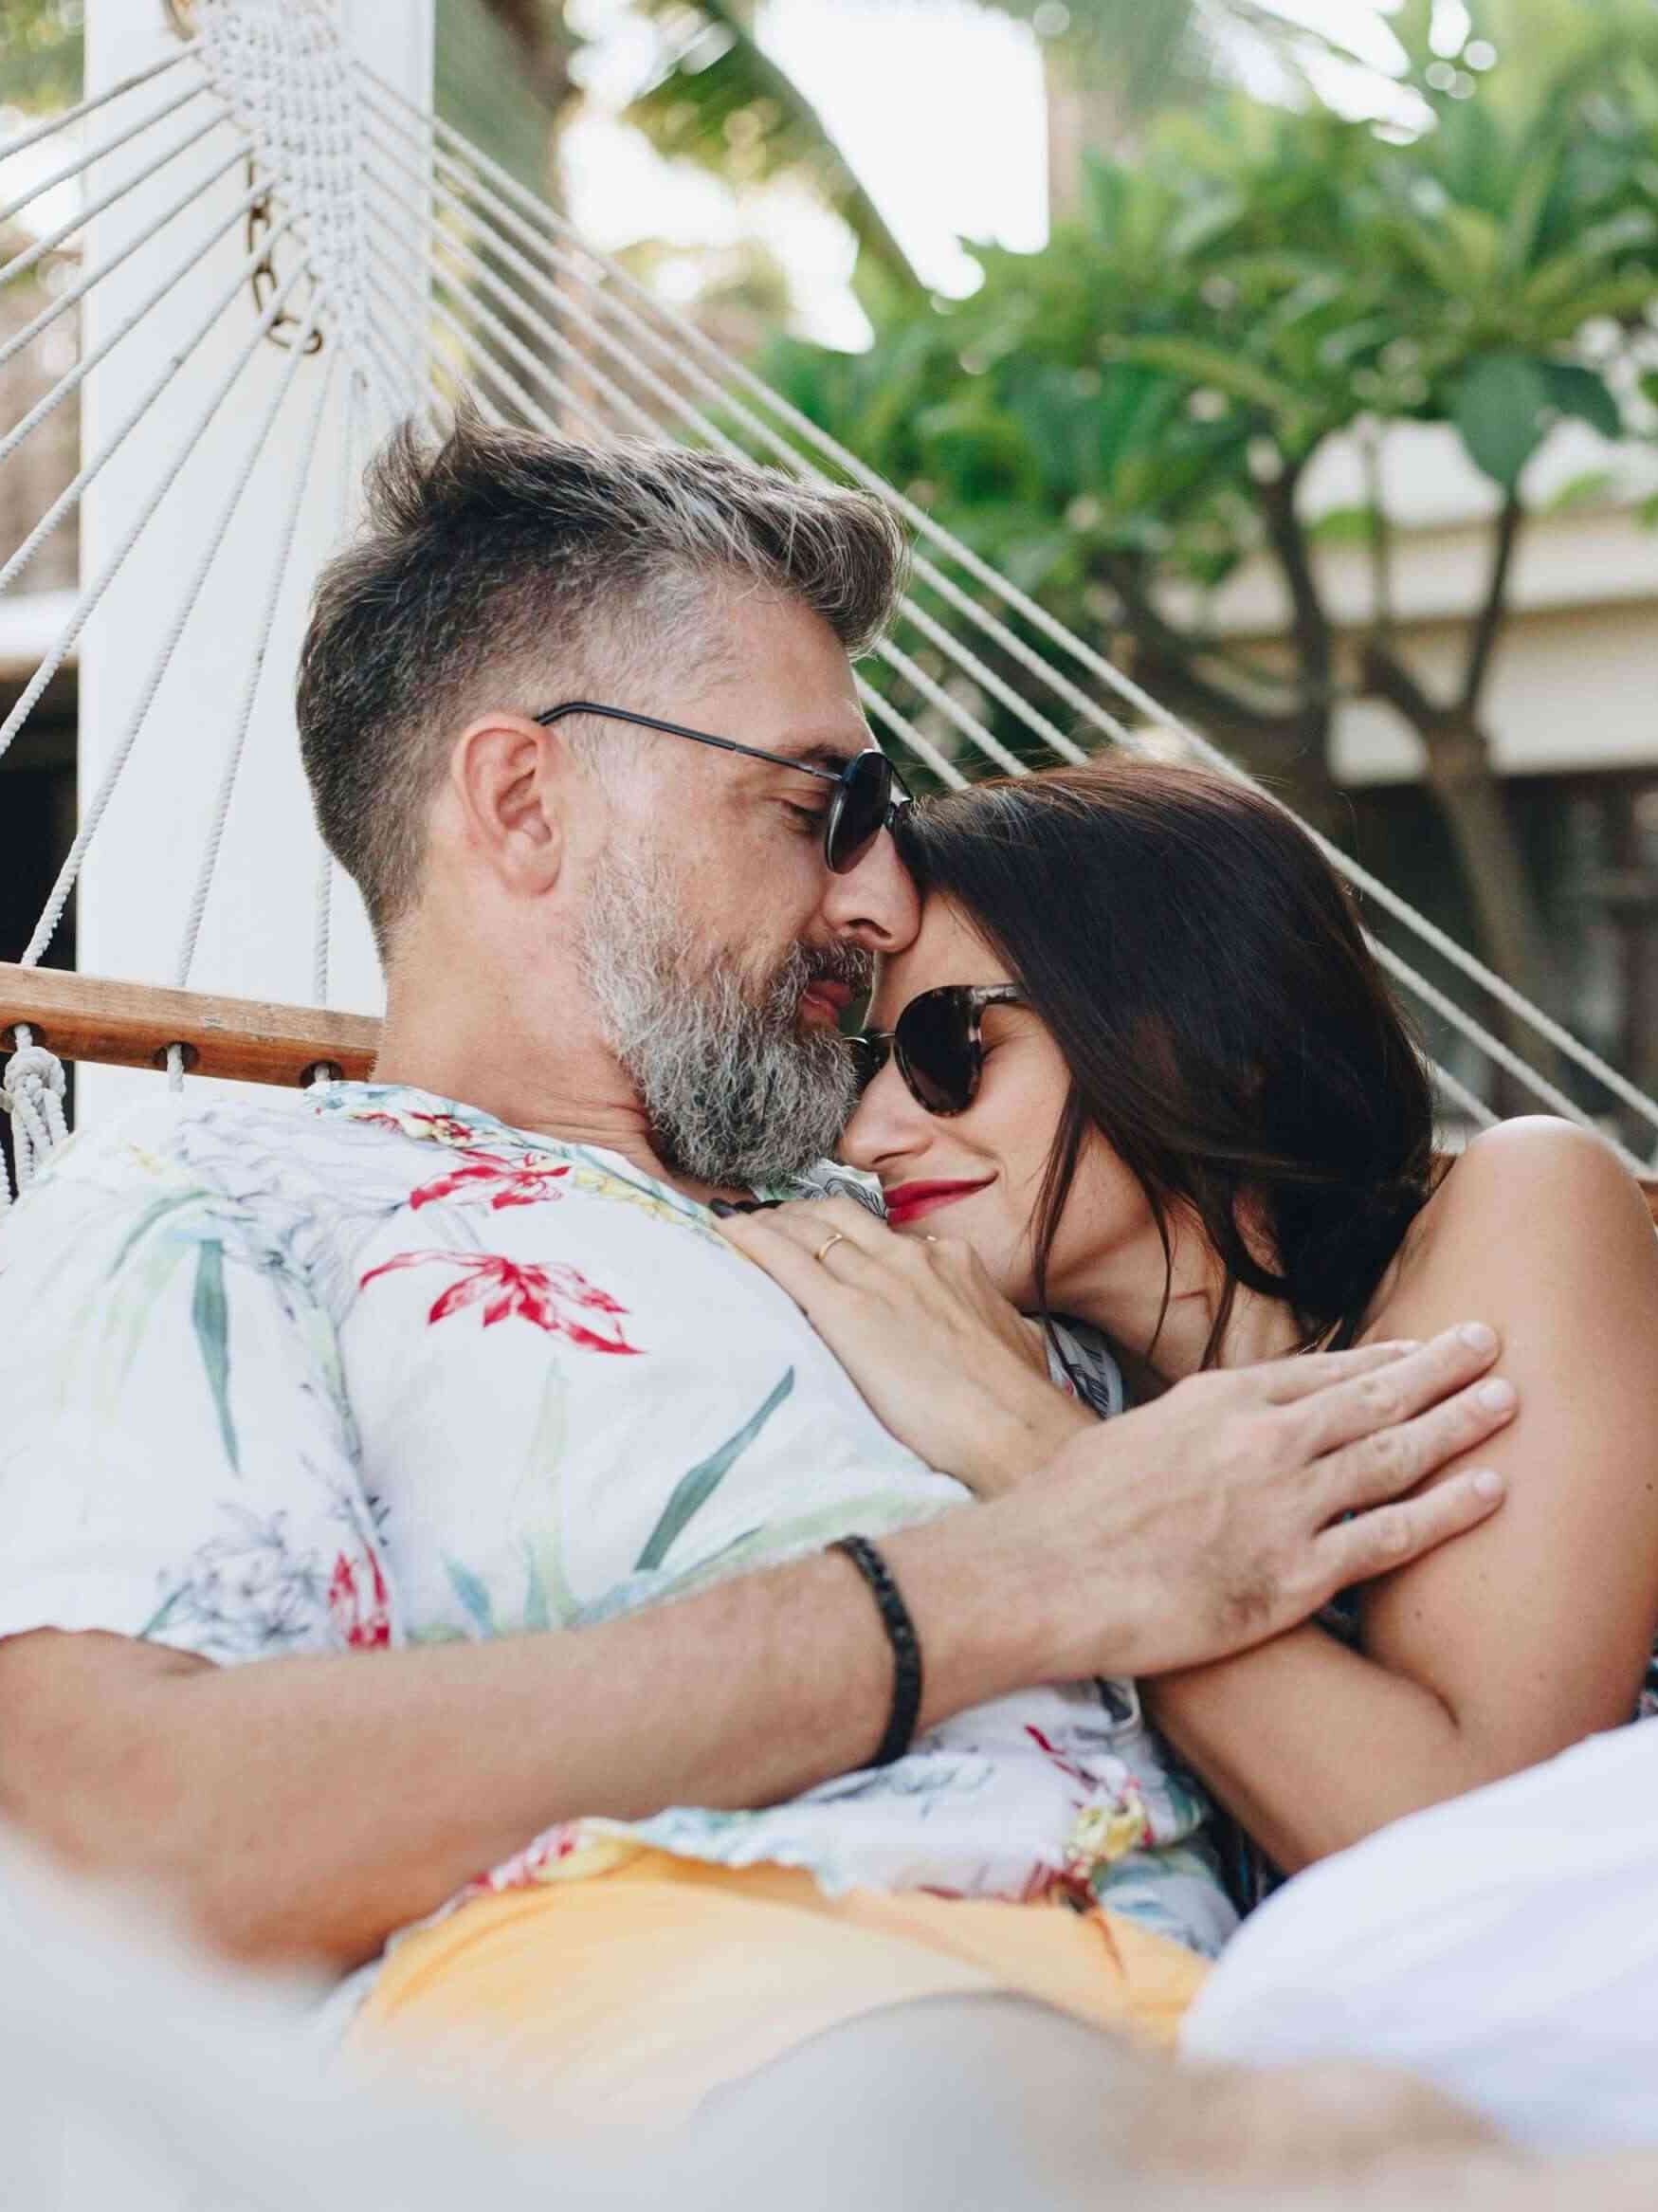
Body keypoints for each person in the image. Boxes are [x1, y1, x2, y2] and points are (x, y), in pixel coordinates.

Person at [0, 425, 1514, 2148]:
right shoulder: (224, 1201)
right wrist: (1015, 1571)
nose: (882, 890)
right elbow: (115, 1836)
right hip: (689, 2020)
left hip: (1230, 2036)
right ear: (520, 801)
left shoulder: (949, 1217)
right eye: (820, 802)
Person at [718, 759, 1658, 1888]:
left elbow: (1475, 1862)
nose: (868, 1132)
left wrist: (1026, 1447)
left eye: (946, 1050)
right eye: (866, 1068)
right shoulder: (1096, 1383)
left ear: (1198, 1022)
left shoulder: (1521, 1200)